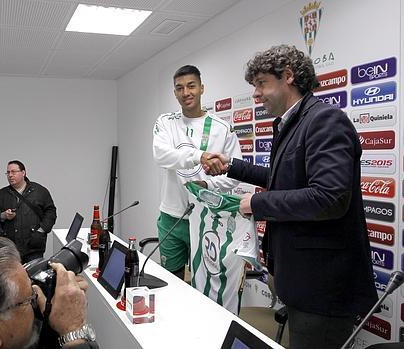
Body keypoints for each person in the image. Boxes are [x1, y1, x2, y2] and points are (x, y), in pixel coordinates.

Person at [203, 44, 377, 349]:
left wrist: (258, 204)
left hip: (323, 289)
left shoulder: (325, 120)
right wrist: (233, 166)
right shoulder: (291, 123)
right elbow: (285, 179)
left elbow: (330, 197)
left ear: (288, 76)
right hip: (301, 281)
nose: (255, 93)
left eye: (261, 83)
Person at [152, 65, 241, 279]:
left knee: (203, 284)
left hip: (207, 218)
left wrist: (208, 185)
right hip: (171, 216)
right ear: (175, 93)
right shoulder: (165, 122)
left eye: (191, 86)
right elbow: (161, 156)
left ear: (202, 88)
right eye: (180, 88)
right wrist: (198, 156)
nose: (186, 93)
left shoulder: (222, 128)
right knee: (170, 280)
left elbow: (236, 174)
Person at [0, 160, 57, 263]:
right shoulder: (0, 195)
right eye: (8, 172)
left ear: (23, 172)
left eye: (14, 172)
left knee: (34, 277)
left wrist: (41, 231)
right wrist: (3, 215)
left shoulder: (39, 191)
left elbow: (51, 212)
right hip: (9, 250)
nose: (10, 175)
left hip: (34, 247)